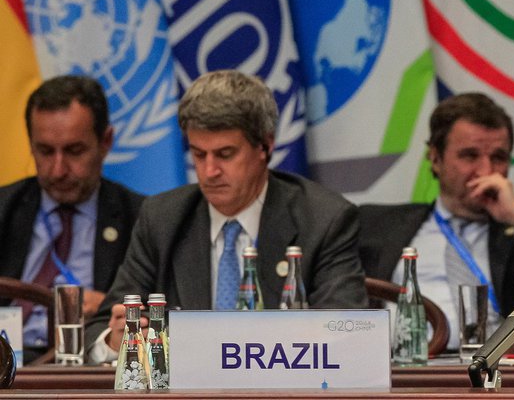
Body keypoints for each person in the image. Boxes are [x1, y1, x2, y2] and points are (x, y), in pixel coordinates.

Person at [85, 70, 367, 361]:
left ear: (266, 146)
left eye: (225, 154)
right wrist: (115, 341)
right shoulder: (163, 218)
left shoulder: (323, 219)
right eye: (198, 154)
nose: (209, 172)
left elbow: (347, 334)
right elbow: (97, 331)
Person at [358, 93, 514, 348]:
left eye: (498, 158)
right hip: (404, 369)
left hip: (501, 373)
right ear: (435, 158)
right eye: (470, 156)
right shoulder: (376, 224)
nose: (486, 171)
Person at [0, 75, 142, 362]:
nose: (57, 169)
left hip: (93, 368)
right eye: (45, 151)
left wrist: (107, 307)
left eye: (74, 151)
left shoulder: (143, 218)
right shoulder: (4, 208)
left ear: (106, 141)